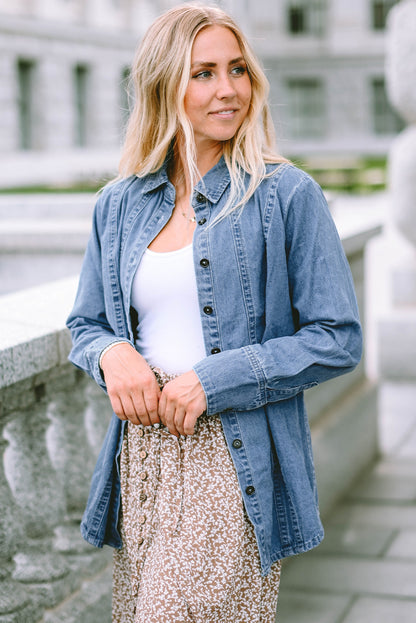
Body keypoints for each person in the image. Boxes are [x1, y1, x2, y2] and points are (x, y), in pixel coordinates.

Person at [66, 3, 362, 622]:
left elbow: (337, 338)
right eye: (202, 73)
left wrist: (216, 378)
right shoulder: (118, 205)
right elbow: (85, 324)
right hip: (142, 456)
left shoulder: (286, 194)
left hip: (235, 452)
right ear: (163, 86)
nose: (228, 90)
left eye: (238, 70)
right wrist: (111, 354)